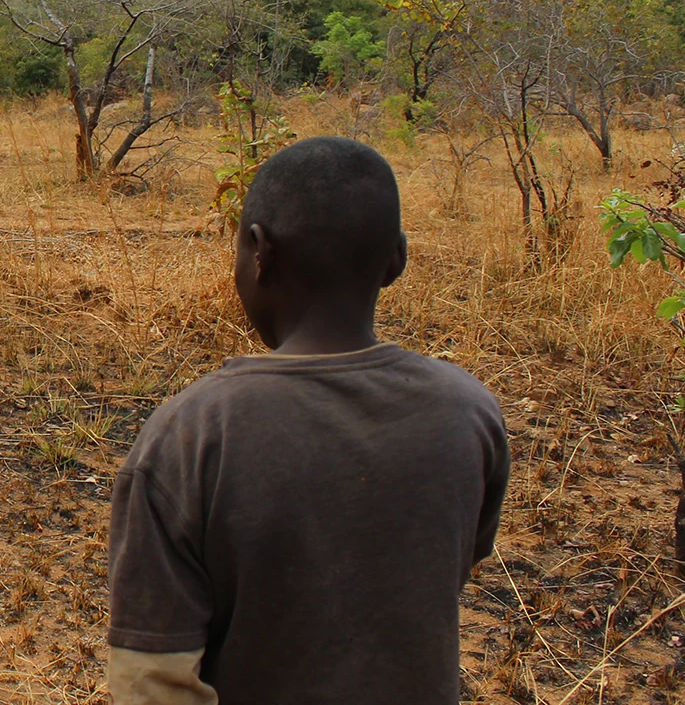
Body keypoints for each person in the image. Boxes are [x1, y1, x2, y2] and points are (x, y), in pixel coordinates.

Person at [107, 136, 509, 704]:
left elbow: (150, 680)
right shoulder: (469, 413)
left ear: (259, 251)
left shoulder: (191, 435)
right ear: (396, 258)